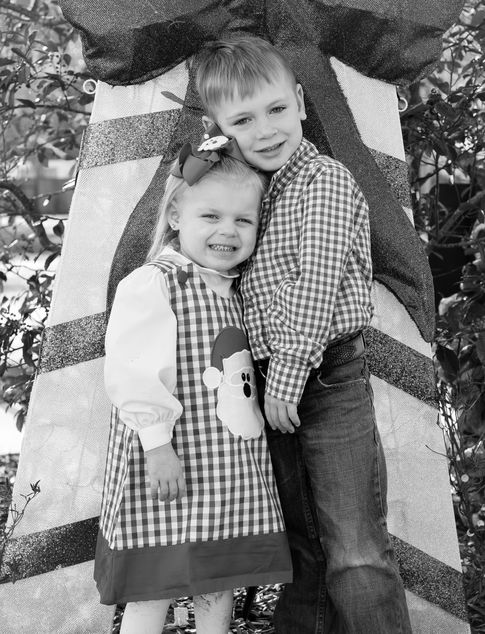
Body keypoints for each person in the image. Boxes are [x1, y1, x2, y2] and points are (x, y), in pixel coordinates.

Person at [196, 36, 413, 634]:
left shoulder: (324, 182)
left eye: (275, 109)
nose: (265, 130)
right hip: (266, 382)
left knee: (355, 549)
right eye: (243, 120)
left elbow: (315, 284)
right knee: (301, 548)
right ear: (220, 127)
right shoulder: (248, 192)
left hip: (324, 376)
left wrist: (288, 378)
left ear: (298, 100)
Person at [94, 144, 292, 634]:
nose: (228, 230)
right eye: (211, 216)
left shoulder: (234, 289)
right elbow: (135, 370)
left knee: (218, 581)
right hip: (172, 460)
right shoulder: (156, 284)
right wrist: (157, 445)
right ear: (176, 216)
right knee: (154, 585)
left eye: (243, 220)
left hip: (227, 470)